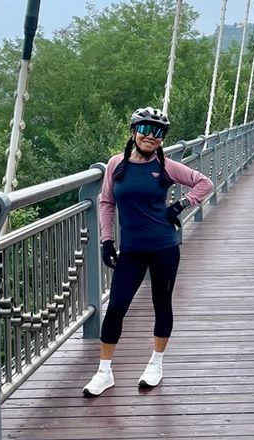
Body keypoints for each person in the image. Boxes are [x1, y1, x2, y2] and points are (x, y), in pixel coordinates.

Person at [82, 106, 213, 396]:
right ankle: (104, 372)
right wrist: (106, 241)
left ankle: (156, 364)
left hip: (164, 246)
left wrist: (179, 205)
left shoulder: (165, 166)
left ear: (162, 139)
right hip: (132, 250)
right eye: (145, 129)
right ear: (133, 132)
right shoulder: (116, 165)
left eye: (157, 132)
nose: (150, 136)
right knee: (116, 307)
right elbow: (106, 203)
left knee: (161, 303)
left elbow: (205, 183)